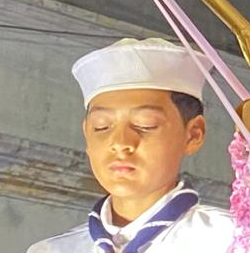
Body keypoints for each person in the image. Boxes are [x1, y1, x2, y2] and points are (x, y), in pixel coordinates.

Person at [28, 38, 233, 252]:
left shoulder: (237, 241)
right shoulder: (52, 250)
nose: (120, 143)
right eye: (102, 127)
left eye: (145, 125)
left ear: (193, 135)